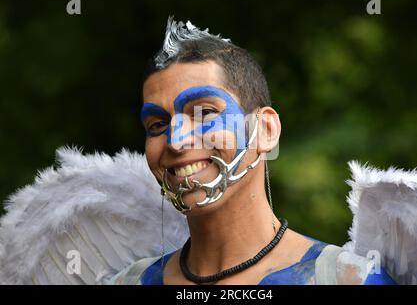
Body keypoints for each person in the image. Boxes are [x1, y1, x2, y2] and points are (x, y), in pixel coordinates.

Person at [110, 17, 396, 285]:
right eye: (158, 124)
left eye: (205, 113)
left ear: (266, 130)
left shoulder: (349, 279)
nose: (175, 141)